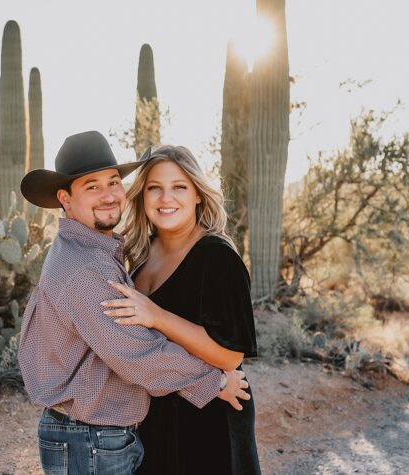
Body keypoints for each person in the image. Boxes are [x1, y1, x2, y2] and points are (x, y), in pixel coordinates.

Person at [15, 131, 250, 475]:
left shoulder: (98, 251)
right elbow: (133, 353)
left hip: (95, 432)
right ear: (66, 199)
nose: (108, 196)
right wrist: (214, 382)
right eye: (91, 187)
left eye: (113, 182)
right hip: (90, 435)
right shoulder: (88, 267)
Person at [99, 145, 260, 474]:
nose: (165, 198)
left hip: (210, 417)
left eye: (179, 187)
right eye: (154, 188)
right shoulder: (141, 252)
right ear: (142, 195)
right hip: (157, 415)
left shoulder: (217, 257)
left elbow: (230, 357)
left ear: (198, 195)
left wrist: (157, 316)